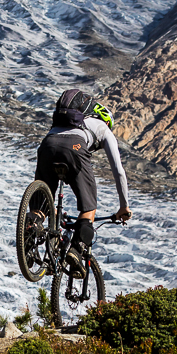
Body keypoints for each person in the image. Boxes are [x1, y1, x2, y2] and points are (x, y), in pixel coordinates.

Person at [33, 89, 132, 270]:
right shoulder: (104, 129)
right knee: (89, 208)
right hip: (75, 148)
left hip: (47, 144)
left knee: (41, 206)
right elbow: (118, 171)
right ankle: (76, 250)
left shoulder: (69, 120)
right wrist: (124, 206)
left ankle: (31, 229)